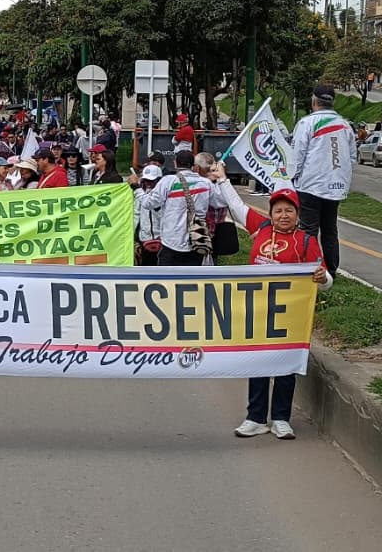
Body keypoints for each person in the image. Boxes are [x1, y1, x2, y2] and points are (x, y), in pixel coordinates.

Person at [209, 161, 331, 439]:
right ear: (271, 213)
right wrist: (223, 179)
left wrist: (322, 277)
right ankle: (255, 418)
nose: (283, 215)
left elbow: (325, 280)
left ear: (297, 214)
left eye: (289, 210)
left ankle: (280, 418)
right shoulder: (261, 228)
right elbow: (237, 207)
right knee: (258, 363)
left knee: (285, 365)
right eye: (278, 210)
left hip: (289, 317)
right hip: (258, 310)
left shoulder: (307, 242)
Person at [289, 84, 355, 277]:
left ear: (314, 101)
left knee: (308, 230)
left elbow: (297, 156)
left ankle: (308, 269)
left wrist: (292, 177)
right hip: (336, 187)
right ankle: (331, 270)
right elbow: (352, 158)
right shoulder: (345, 125)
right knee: (330, 229)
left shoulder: (307, 123)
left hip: (310, 186)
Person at [132, 150, 218, 266]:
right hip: (196, 240)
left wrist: (136, 188)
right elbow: (219, 203)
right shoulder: (206, 183)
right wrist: (219, 179)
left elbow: (148, 203)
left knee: (168, 276)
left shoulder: (168, 181)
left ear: (175, 163)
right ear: (194, 165)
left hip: (171, 242)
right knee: (192, 276)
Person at [134, 165, 165, 266]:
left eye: (151, 180)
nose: (148, 183)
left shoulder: (165, 194)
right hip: (144, 239)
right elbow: (136, 214)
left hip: (162, 240)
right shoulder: (141, 194)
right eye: (145, 180)